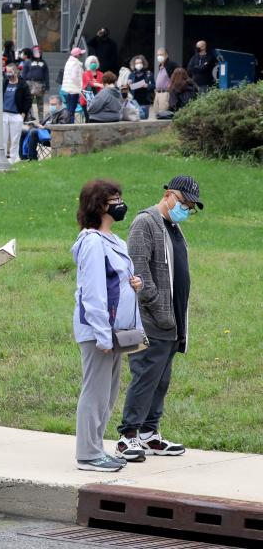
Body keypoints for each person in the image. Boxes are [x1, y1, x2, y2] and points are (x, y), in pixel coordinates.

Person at [116, 176, 202, 462]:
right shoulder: (145, 223)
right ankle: (127, 436)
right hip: (152, 319)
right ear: (168, 195)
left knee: (161, 380)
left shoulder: (173, 226)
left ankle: (149, 434)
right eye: (184, 202)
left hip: (172, 321)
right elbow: (139, 271)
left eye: (191, 206)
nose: (186, 208)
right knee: (145, 377)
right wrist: (155, 303)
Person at [72, 179, 144, 472]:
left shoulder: (115, 240)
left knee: (109, 393)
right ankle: (88, 454)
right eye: (114, 199)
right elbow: (92, 293)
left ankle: (97, 448)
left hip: (117, 331)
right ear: (99, 205)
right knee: (96, 391)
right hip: (98, 332)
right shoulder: (90, 242)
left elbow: (117, 280)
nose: (120, 204)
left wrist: (134, 283)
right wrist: (102, 336)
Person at [21, 94, 69, 160]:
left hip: (53, 137)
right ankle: (23, 158)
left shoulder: (64, 112)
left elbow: (61, 127)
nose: (52, 106)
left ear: (60, 104)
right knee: (23, 132)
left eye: (54, 104)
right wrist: (35, 125)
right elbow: (41, 124)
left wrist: (45, 127)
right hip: (43, 133)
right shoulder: (50, 113)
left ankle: (32, 158)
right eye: (50, 104)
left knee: (33, 132)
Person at [1, 64, 32, 163]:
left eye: (10, 71)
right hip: (4, 114)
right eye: (7, 71)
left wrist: (23, 114)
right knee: (3, 139)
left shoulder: (22, 84)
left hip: (16, 115)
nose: (8, 74)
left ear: (16, 72)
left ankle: (13, 160)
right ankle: (2, 158)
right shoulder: (5, 82)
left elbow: (28, 99)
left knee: (15, 139)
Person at [20, 47, 50, 119]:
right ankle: (30, 117)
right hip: (29, 83)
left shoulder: (43, 63)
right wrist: (22, 84)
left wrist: (47, 85)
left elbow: (46, 74)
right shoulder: (28, 62)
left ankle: (41, 119)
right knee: (29, 102)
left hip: (40, 84)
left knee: (40, 103)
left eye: (39, 52)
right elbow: (24, 73)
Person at [152, 48, 179, 116]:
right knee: (157, 114)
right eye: (158, 55)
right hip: (158, 93)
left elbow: (179, 75)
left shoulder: (171, 64)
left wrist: (172, 87)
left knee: (163, 114)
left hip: (165, 93)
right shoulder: (160, 65)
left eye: (161, 54)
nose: (159, 56)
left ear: (166, 55)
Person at [127, 55, 155, 120]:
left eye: (140, 62)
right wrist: (128, 84)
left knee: (144, 117)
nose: (138, 64)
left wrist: (147, 85)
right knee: (135, 119)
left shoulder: (149, 74)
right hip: (134, 101)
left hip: (145, 101)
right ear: (134, 64)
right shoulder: (131, 75)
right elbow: (129, 89)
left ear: (143, 63)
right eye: (136, 63)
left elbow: (154, 85)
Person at [62, 47, 85, 123]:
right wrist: (80, 84)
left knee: (69, 108)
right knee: (72, 109)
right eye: (80, 54)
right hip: (74, 89)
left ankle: (68, 122)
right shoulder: (75, 63)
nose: (81, 55)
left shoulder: (68, 62)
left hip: (68, 89)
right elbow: (74, 76)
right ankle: (70, 124)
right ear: (77, 55)